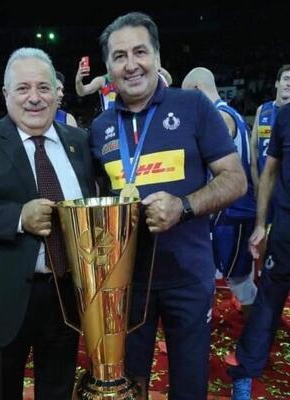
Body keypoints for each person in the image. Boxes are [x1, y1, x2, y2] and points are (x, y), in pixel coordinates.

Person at [89, 12, 247, 400]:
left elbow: (235, 179)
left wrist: (184, 207)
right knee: (130, 385)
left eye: (140, 52)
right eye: (119, 56)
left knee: (189, 385)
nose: (131, 64)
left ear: (157, 57)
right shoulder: (99, 128)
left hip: (188, 277)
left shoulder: (193, 106)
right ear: (108, 68)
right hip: (126, 282)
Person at [0, 47, 95, 400]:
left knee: (58, 390)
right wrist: (18, 218)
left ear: (58, 93)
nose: (34, 98)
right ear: (6, 94)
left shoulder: (79, 142)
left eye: (43, 87)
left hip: (66, 295)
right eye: (23, 88)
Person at [182, 67, 257, 315]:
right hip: (234, 209)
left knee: (239, 280)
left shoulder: (219, 117)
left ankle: (257, 329)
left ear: (197, 90)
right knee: (222, 273)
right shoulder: (231, 114)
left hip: (233, 211)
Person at [228, 103, 290, 399]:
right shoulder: (285, 116)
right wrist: (261, 224)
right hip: (285, 230)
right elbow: (269, 173)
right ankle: (246, 371)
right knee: (268, 300)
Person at [250, 65, 290, 193]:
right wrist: (256, 181)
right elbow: (253, 147)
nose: (289, 84)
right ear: (277, 83)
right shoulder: (262, 110)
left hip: (285, 188)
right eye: (286, 79)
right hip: (264, 185)